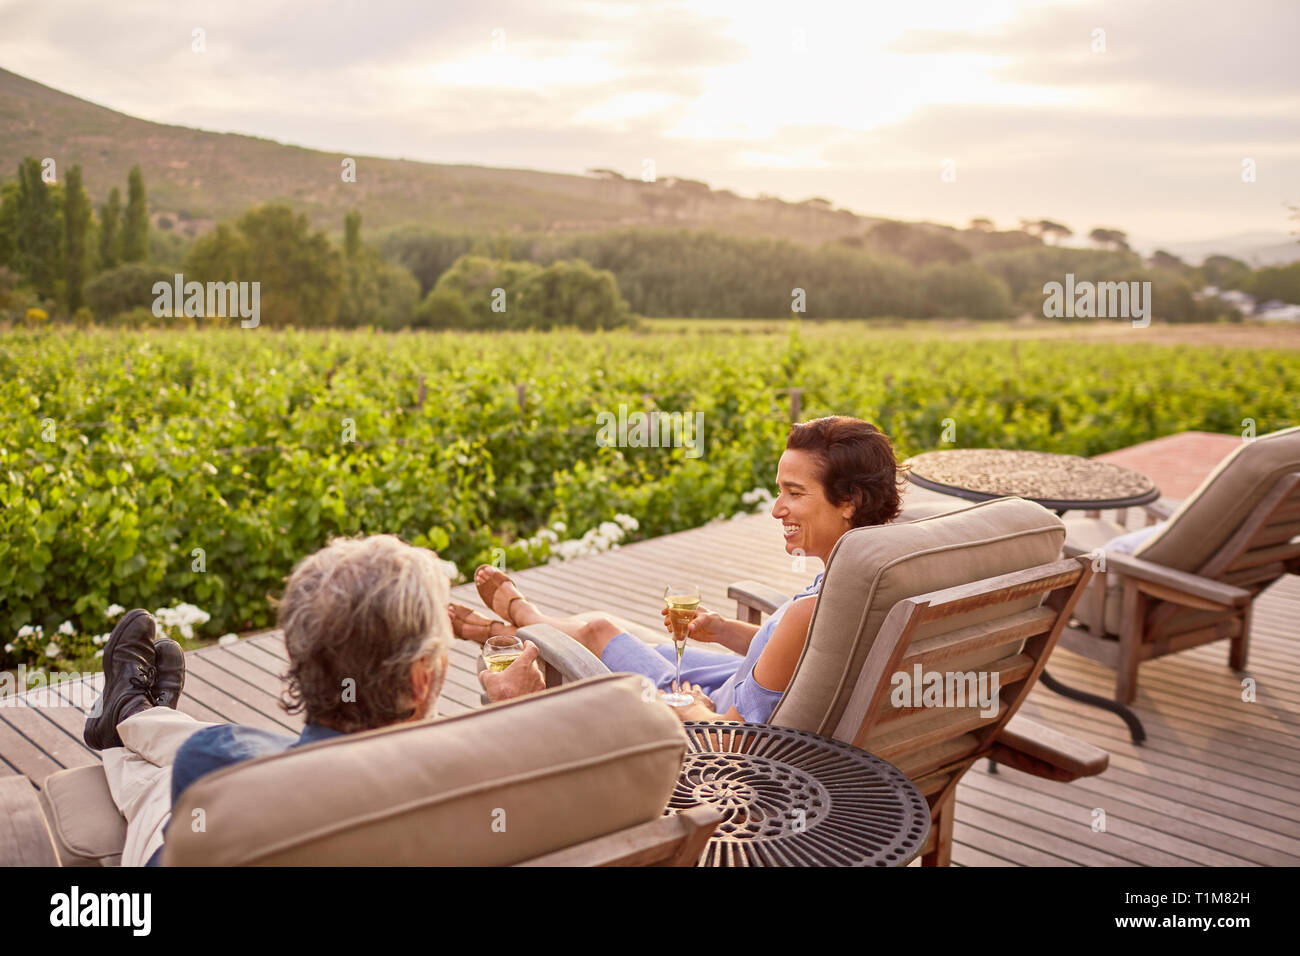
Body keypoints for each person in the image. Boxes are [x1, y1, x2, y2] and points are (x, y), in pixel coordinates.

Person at [83, 534, 545, 867]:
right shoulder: (499, 788)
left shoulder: (213, 768)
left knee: (164, 781)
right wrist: (523, 717)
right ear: (421, 679)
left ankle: (129, 717)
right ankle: (136, 713)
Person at [448, 416, 905, 724]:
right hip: (740, 676)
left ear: (849, 501)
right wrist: (725, 628)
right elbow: (800, 653)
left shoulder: (815, 607)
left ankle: (519, 621)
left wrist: (692, 709)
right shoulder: (872, 575)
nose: (776, 509)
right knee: (606, 629)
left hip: (709, 719)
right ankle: (515, 622)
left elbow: (732, 739)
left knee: (600, 630)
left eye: (794, 493)